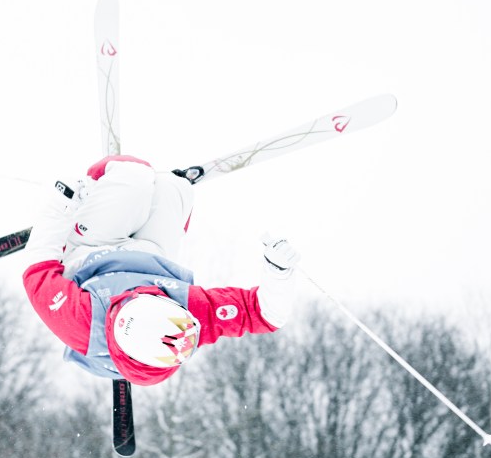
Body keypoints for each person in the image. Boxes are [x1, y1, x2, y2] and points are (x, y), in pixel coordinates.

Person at [22, 154, 300, 386]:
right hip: (152, 256)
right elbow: (265, 314)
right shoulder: (187, 316)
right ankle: (151, 196)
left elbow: (37, 270)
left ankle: (103, 188)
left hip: (92, 251)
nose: (134, 292)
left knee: (134, 174)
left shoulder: (81, 321)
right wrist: (279, 272)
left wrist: (63, 205)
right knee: (174, 187)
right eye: (151, 297)